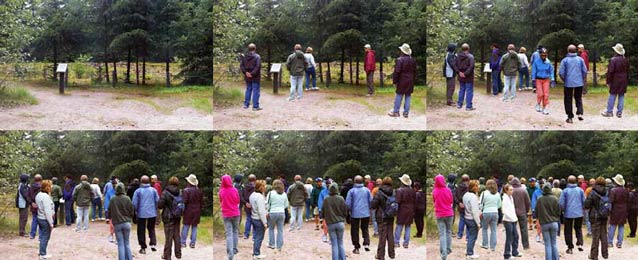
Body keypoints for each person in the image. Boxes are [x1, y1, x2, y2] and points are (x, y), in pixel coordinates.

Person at [559, 44, 588, 123]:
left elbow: (561, 72)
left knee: (568, 99)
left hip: (568, 83)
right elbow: (585, 71)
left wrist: (564, 79)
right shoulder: (580, 59)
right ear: (576, 51)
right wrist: (582, 78)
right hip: (579, 82)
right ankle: (580, 113)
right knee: (578, 98)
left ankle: (570, 117)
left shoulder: (565, 60)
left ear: (568, 51)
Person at [132, 175, 160, 254]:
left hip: (141, 213)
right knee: (151, 228)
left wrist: (136, 210)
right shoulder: (153, 190)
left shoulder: (138, 191)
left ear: (141, 182)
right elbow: (157, 200)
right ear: (149, 181)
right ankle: (153, 244)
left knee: (141, 230)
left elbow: (134, 203)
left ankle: (143, 247)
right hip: (152, 213)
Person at [559, 175, 586, 254]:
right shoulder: (580, 190)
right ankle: (580, 243)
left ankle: (570, 247)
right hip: (579, 213)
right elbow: (584, 201)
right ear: (576, 181)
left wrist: (563, 210)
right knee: (578, 228)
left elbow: (561, 203)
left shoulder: (565, 191)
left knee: (568, 230)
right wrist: (582, 208)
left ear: (568, 182)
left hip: (568, 213)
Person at [345, 175, 372, 254]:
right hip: (365, 213)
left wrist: (349, 211)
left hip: (355, 213)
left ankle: (356, 247)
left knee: (354, 230)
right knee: (365, 228)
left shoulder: (351, 191)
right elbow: (371, 200)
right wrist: (368, 209)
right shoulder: (367, 190)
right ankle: (366, 243)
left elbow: (348, 203)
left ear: (354, 182)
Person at [389, 43, 416, 118]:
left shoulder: (400, 60)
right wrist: (413, 80)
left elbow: (397, 72)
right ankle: (406, 113)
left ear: (402, 51)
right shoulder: (413, 60)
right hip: (410, 80)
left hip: (402, 80)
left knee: (399, 95)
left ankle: (396, 111)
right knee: (408, 96)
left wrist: (394, 81)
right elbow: (415, 72)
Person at [601, 43, 629, 118]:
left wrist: (608, 81)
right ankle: (619, 112)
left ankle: (609, 111)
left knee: (612, 95)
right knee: (621, 95)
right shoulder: (625, 60)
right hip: (624, 80)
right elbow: (627, 71)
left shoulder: (613, 60)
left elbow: (610, 72)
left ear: (616, 51)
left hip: (615, 80)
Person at [584, 177, 609, 260]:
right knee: (604, 235)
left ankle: (594, 255)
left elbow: (587, 205)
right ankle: (605, 254)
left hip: (595, 216)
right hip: (604, 216)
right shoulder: (607, 192)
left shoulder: (592, 192)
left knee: (595, 237)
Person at [371, 177, 396, 260]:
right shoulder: (393, 192)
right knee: (390, 235)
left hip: (381, 217)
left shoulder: (379, 192)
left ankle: (380, 255)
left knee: (382, 236)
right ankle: (392, 254)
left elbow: (373, 205)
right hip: (391, 216)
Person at [158, 176, 182, 260]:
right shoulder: (180, 192)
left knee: (168, 236)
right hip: (177, 216)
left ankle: (167, 256)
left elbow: (160, 205)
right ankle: (178, 254)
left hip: (168, 216)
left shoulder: (165, 192)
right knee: (177, 235)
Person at [323, 182, 348, 260]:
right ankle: (343, 258)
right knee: (340, 242)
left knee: (334, 244)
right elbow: (345, 211)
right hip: (340, 222)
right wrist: (343, 217)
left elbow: (323, 211)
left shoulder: (326, 199)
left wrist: (325, 219)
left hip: (331, 223)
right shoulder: (341, 198)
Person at [536, 184, 561, 260]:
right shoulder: (555, 199)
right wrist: (556, 218)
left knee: (547, 244)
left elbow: (536, 212)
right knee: (554, 243)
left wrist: (539, 218)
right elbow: (558, 211)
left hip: (544, 223)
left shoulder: (540, 199)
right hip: (554, 223)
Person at [110, 182, 134, 260]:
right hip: (127, 222)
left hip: (117, 223)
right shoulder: (127, 198)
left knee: (120, 244)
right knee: (127, 243)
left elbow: (109, 211)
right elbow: (132, 211)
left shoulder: (113, 199)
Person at [432, 175, 454, 260]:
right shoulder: (448, 190)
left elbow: (434, 201)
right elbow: (451, 201)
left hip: (440, 214)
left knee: (442, 234)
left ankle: (443, 253)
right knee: (448, 231)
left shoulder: (434, 191)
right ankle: (448, 249)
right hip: (449, 213)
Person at [219, 175, 241, 260]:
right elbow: (238, 201)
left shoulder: (221, 191)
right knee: (235, 231)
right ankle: (235, 249)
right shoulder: (234, 190)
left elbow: (221, 201)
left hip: (226, 214)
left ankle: (230, 254)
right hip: (235, 213)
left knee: (229, 234)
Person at [530, 48, 555, 115]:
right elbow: (534, 71)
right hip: (538, 79)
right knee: (540, 94)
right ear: (540, 55)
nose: (543, 56)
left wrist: (552, 79)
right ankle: (538, 103)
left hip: (546, 79)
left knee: (546, 94)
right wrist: (533, 79)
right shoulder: (536, 62)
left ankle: (545, 107)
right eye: (542, 55)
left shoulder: (548, 62)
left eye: (545, 55)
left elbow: (551, 71)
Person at [265, 179, 288, 252]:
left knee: (271, 228)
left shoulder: (271, 193)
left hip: (272, 212)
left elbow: (267, 203)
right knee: (280, 230)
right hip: (281, 212)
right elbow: (286, 205)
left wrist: (267, 211)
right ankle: (279, 246)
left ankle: (272, 244)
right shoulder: (284, 194)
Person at [479, 179, 501, 251]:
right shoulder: (497, 194)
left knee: (484, 228)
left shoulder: (484, 193)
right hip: (495, 212)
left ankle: (485, 244)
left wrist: (481, 211)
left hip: (486, 212)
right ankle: (493, 246)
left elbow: (481, 203)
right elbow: (499, 205)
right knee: (494, 230)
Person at [182, 174, 203, 248]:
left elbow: (184, 201)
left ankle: (183, 242)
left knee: (186, 226)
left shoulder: (186, 191)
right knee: (194, 227)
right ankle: (193, 243)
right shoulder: (199, 191)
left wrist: (182, 211)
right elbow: (201, 202)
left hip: (188, 210)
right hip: (197, 210)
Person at [395, 174, 415, 248]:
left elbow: (398, 201)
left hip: (402, 210)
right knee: (408, 226)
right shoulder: (412, 191)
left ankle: (396, 242)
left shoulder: (399, 190)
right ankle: (406, 243)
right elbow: (414, 201)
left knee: (399, 226)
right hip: (410, 210)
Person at [502, 184, 522, 259]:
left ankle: (515, 251)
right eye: (510, 190)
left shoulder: (511, 197)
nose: (512, 191)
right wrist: (511, 217)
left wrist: (514, 217)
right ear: (506, 190)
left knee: (516, 236)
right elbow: (504, 210)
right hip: (508, 220)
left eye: (512, 189)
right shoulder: (505, 198)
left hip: (513, 219)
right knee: (509, 237)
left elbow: (512, 209)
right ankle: (507, 254)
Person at [240, 43, 262, 111]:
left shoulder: (245, 57)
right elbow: (258, 67)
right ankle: (255, 106)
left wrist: (246, 73)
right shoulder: (257, 57)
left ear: (248, 49)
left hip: (247, 76)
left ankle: (246, 105)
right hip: (255, 77)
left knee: (248, 89)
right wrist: (252, 73)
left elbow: (241, 66)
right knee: (256, 91)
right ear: (255, 48)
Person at [36, 180, 54, 260]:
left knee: (42, 236)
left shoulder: (39, 195)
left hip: (40, 217)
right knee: (45, 237)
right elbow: (47, 211)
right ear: (47, 187)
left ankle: (41, 252)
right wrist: (51, 223)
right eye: (51, 186)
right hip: (45, 219)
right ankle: (43, 254)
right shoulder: (45, 197)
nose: (52, 187)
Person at [250, 180, 268, 259]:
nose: (265, 187)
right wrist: (265, 222)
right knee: (259, 237)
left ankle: (255, 252)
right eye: (264, 186)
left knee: (256, 236)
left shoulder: (252, 195)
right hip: (259, 219)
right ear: (261, 187)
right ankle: (256, 254)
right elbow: (261, 211)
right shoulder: (260, 197)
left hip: (253, 217)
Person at [608, 174, 628, 248]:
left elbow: (611, 201)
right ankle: (619, 243)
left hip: (615, 210)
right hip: (623, 210)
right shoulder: (625, 190)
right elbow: (627, 201)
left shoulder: (613, 190)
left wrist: (609, 210)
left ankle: (610, 242)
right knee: (621, 226)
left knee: (612, 226)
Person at [463, 180, 482, 259]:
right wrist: (478, 223)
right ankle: (470, 253)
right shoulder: (473, 197)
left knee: (470, 235)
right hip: (472, 219)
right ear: (474, 187)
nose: (478, 187)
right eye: (477, 186)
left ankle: (469, 250)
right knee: (472, 237)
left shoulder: (466, 195)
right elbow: (475, 211)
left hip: (466, 217)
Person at [510, 177, 530, 249]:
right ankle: (526, 245)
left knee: (513, 229)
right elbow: (528, 202)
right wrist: (526, 211)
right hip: (522, 212)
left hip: (512, 213)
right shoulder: (523, 190)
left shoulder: (510, 191)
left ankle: (514, 245)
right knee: (524, 229)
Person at [455, 43, 475, 111]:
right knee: (469, 90)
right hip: (468, 76)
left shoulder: (458, 56)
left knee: (462, 89)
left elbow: (455, 65)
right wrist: (465, 73)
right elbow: (471, 67)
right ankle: (468, 106)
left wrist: (459, 72)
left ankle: (459, 104)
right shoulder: (471, 57)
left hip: (461, 76)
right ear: (468, 49)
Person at [454, 174, 470, 239]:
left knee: (462, 220)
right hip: (468, 206)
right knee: (469, 220)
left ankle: (459, 234)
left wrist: (459, 203)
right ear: (468, 179)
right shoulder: (469, 187)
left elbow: (455, 196)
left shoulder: (458, 187)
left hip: (460, 206)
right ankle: (468, 236)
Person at [241, 174, 256, 239]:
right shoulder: (255, 187)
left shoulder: (244, 187)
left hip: (247, 205)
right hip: (254, 205)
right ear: (255, 179)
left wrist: (245, 203)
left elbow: (241, 196)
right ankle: (254, 236)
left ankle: (246, 234)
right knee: (255, 219)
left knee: (248, 219)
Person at [28, 174, 43, 239]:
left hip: (33, 206)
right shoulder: (42, 188)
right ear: (41, 179)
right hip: (41, 206)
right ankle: (40, 236)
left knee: (34, 220)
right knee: (41, 220)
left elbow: (27, 196)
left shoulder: (31, 187)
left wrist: (31, 203)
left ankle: (32, 234)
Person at [104, 176, 118, 243]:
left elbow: (107, 201)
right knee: (115, 223)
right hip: (117, 209)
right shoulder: (120, 191)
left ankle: (112, 236)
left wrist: (106, 209)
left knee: (112, 223)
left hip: (113, 209)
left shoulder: (109, 192)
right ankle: (114, 236)